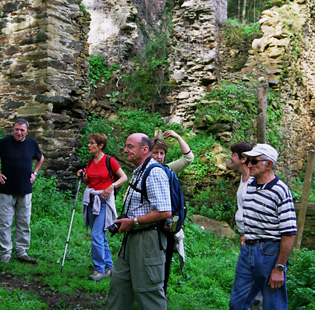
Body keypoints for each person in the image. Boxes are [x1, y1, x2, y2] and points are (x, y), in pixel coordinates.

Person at [107, 133, 172, 310]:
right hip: (132, 238)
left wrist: (134, 221)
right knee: (119, 287)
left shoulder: (154, 173)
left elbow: (165, 211)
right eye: (126, 146)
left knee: (148, 292)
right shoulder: (139, 171)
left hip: (148, 241)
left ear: (144, 149)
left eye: (130, 147)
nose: (125, 150)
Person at [229, 143, 297, 310]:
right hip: (248, 251)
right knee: (237, 304)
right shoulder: (250, 185)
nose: (249, 164)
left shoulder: (280, 191)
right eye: (248, 160)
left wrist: (279, 268)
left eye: (254, 161)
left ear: (268, 164)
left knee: (273, 304)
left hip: (270, 253)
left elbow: (289, 233)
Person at [77, 133, 127, 281]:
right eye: (89, 143)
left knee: (96, 235)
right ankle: (108, 267)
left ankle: (100, 270)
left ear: (100, 146)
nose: (89, 145)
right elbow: (88, 181)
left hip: (103, 201)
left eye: (92, 143)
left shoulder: (109, 160)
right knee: (99, 235)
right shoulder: (90, 161)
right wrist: (82, 175)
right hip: (91, 200)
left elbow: (124, 177)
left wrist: (111, 186)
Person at [151, 130, 194, 294]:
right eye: (156, 153)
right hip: (148, 225)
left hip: (166, 225)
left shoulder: (168, 170)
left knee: (165, 260)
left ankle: (161, 293)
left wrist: (177, 137)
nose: (159, 156)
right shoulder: (144, 172)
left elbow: (188, 158)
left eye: (162, 153)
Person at [0, 119, 44, 264]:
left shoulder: (32, 144)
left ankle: (21, 251)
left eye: (22, 130)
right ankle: (5, 253)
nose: (19, 132)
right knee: (5, 223)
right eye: (16, 129)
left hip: (25, 189)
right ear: (13, 129)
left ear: (27, 131)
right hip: (6, 189)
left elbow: (40, 158)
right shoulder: (4, 142)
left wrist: (35, 173)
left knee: (23, 222)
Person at [229, 142, 253, 246]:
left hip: (250, 235)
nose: (230, 157)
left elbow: (253, 209)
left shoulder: (253, 181)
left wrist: (248, 235)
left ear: (243, 159)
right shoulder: (243, 177)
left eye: (234, 155)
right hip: (243, 232)